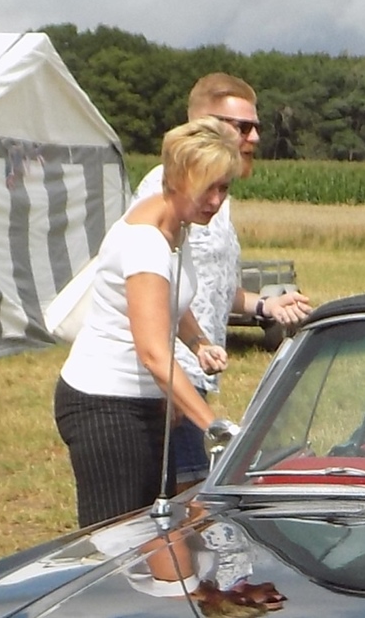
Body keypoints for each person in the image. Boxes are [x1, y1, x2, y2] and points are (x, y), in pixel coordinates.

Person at [54, 116, 243, 528]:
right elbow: (154, 354)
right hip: (105, 405)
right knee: (114, 541)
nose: (215, 201)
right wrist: (216, 428)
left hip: (145, 403)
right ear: (175, 179)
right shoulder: (145, 243)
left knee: (155, 533)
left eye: (224, 188)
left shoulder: (177, 225)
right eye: (207, 188)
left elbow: (167, 299)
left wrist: (197, 343)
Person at [135, 73, 312, 492]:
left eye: (256, 127)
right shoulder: (169, 193)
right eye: (242, 127)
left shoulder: (216, 199)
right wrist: (171, 381)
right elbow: (149, 293)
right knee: (192, 496)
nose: (254, 138)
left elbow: (213, 288)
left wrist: (266, 306)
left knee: (193, 492)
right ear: (204, 124)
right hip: (170, 379)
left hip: (194, 373)